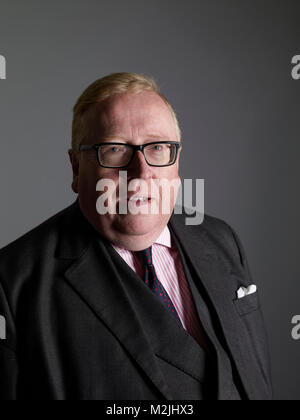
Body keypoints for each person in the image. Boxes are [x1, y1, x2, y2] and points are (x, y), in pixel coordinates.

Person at [0, 72, 272, 400]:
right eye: (115, 150)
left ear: (177, 160)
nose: (141, 173)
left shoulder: (221, 240)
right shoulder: (13, 284)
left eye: (157, 148)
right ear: (75, 169)